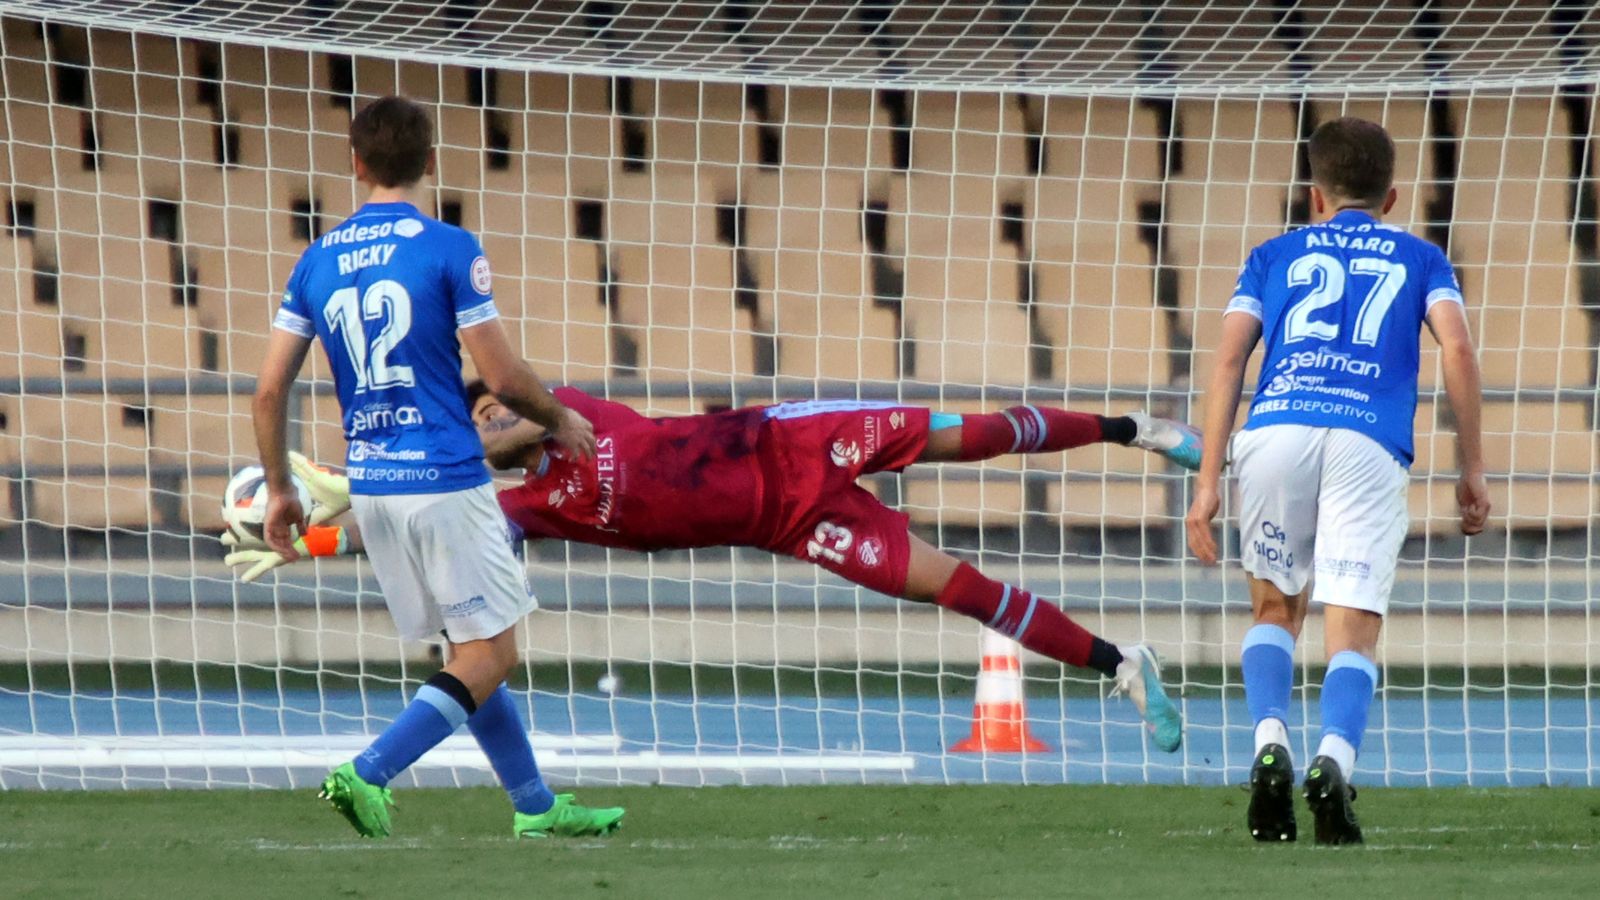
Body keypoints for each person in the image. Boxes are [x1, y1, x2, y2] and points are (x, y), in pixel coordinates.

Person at [232, 381, 1206, 752]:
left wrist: (486, 423)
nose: (491, 420)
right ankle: (1122, 665)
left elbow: (527, 411)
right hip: (793, 522)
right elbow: (406, 525)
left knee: (979, 435)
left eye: (493, 409)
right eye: (479, 416)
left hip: (799, 437)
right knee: (964, 591)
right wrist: (315, 535)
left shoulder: (568, 415)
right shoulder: (521, 507)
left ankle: (1134, 430)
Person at [251, 94, 622, 840]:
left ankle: (536, 806)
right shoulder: (450, 246)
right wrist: (561, 418)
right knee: (494, 652)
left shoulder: (316, 259)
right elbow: (505, 379)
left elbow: (268, 392)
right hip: (447, 478)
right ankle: (369, 770)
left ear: (355, 164)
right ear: (429, 162)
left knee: (467, 648)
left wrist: (282, 490)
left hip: (378, 486)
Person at [1185, 117, 1490, 845]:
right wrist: (1469, 466)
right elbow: (1457, 347)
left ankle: (1269, 743)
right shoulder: (1422, 258)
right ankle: (1333, 760)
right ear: (1391, 196)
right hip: (1367, 439)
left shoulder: (1273, 254)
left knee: (1273, 609)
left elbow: (1229, 360)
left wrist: (1206, 479)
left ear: (1315, 194)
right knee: (1351, 622)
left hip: (1277, 430)